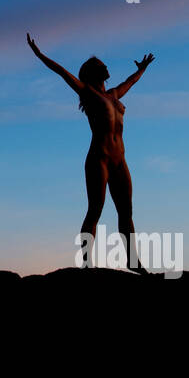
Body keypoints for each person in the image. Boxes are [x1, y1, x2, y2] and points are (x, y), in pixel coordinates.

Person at [26, 33, 154, 271]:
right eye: (101, 65)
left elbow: (131, 81)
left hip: (120, 160)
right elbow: (62, 72)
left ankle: (133, 260)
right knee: (95, 209)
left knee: (126, 211)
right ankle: (86, 262)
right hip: (99, 159)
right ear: (93, 72)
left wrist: (143, 68)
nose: (106, 66)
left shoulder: (113, 95)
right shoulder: (87, 91)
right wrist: (39, 54)